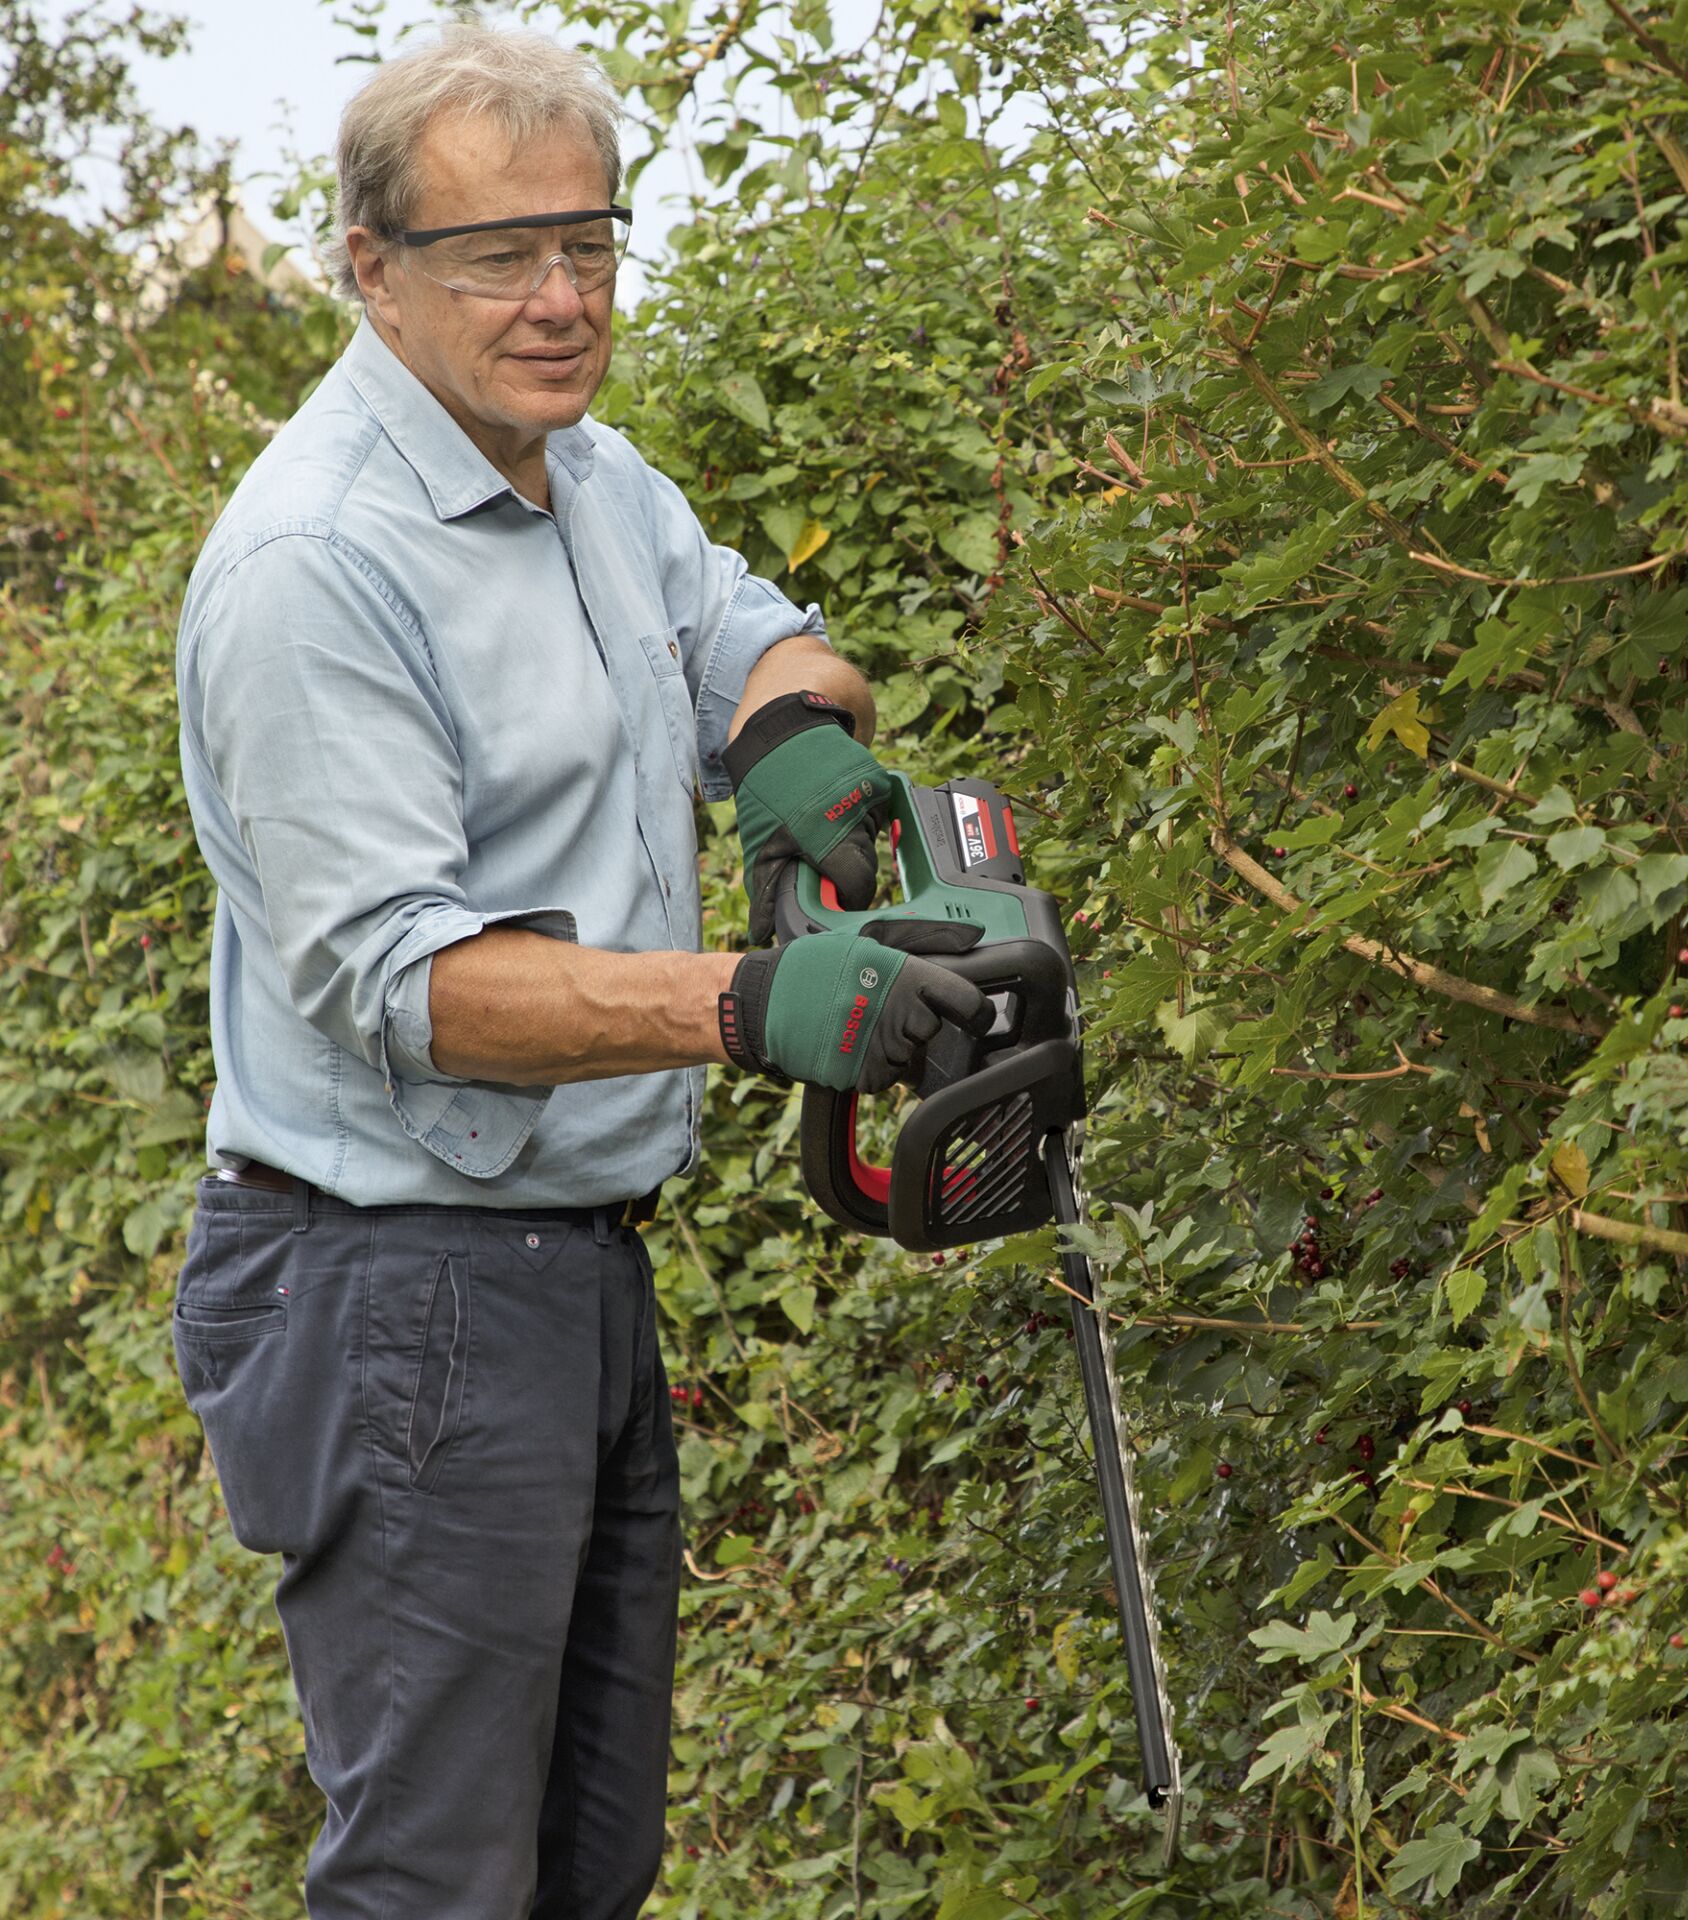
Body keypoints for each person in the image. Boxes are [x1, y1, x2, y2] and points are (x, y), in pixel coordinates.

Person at [169, 22, 989, 1919]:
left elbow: (762, 645)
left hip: (564, 1275)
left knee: (587, 1868)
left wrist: (797, 751)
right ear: (373, 271)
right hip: (393, 1292)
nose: (560, 299)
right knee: (442, 1883)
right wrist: (749, 1000)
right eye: (498, 256)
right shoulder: (316, 565)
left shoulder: (593, 478)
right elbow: (407, 983)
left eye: (592, 247)